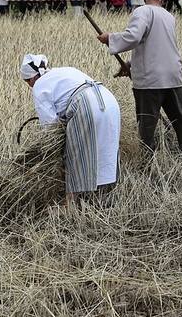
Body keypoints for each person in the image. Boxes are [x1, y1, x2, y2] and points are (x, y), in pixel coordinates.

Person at [97, 0, 182, 153]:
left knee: (147, 123)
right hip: (172, 75)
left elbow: (133, 37)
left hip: (150, 79)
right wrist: (130, 64)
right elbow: (157, 47)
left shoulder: (142, 11)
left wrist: (109, 38)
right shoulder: (169, 16)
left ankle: (148, 158)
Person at [20, 54, 121, 204]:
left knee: (75, 153)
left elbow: (50, 127)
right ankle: (104, 198)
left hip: (86, 105)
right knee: (106, 149)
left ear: (32, 78)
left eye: (27, 81)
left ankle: (71, 203)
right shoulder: (65, 70)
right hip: (109, 101)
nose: (29, 85)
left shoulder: (40, 85)